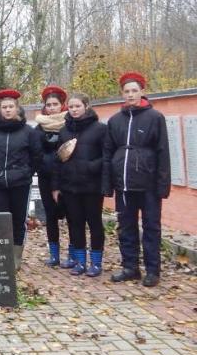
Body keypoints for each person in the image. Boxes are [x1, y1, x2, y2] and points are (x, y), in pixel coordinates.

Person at [102, 72, 171, 287]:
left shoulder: (155, 117)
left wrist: (163, 184)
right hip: (123, 184)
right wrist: (107, 184)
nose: (130, 95)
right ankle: (130, 267)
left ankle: (152, 270)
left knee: (151, 227)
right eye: (126, 91)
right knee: (126, 226)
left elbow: (163, 152)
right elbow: (107, 153)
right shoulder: (115, 120)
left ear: (142, 91)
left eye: (134, 90)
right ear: (122, 93)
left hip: (148, 183)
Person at [0, 89, 42, 270]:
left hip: (20, 182)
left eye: (11, 107)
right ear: (0, 109)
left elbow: (36, 155)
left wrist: (26, 172)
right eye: (4, 107)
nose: (7, 110)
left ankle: (15, 258)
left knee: (18, 220)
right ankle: (2, 256)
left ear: (17, 108)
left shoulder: (28, 132)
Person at [52, 92, 107, 276]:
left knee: (94, 223)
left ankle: (96, 263)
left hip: (92, 186)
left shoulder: (100, 129)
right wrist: (56, 186)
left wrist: (91, 166)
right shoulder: (64, 131)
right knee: (75, 223)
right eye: (71, 107)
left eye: (78, 106)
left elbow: (106, 156)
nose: (74, 110)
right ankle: (80, 261)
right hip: (70, 186)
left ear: (86, 106)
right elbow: (58, 160)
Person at [34, 85, 69, 267]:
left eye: (55, 104)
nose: (52, 108)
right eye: (49, 105)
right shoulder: (39, 127)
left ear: (62, 104)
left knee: (72, 215)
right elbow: (34, 151)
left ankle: (74, 254)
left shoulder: (69, 124)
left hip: (67, 177)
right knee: (50, 215)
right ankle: (54, 254)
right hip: (46, 177)